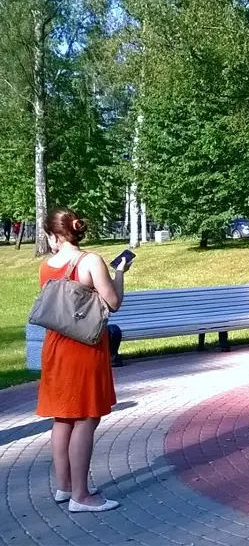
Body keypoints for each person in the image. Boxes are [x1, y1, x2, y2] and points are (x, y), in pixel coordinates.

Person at [36, 208, 131, 513]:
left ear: (54, 235)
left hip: (56, 347)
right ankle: (82, 496)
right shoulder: (91, 261)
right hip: (84, 349)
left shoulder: (46, 265)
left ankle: (64, 487)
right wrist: (119, 273)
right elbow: (113, 304)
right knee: (87, 418)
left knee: (62, 417)